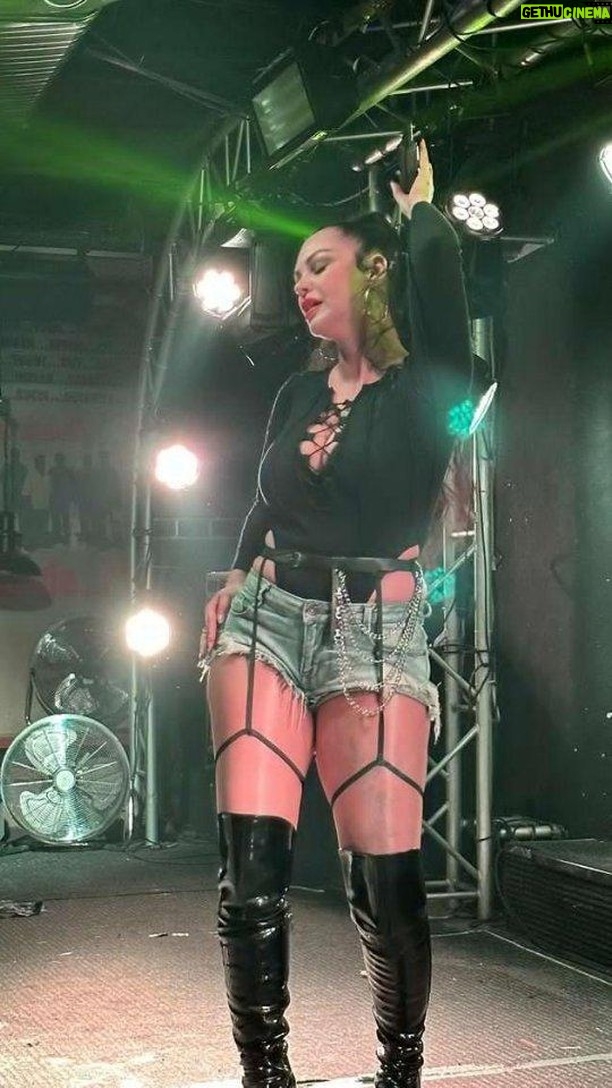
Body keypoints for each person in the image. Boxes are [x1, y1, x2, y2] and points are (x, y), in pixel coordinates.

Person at [200, 140, 473, 1088]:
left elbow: (445, 302)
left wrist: (420, 211)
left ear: (374, 273)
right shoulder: (294, 390)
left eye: (320, 263)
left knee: (387, 881)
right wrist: (234, 574)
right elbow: (266, 498)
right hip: (267, 618)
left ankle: (400, 1070)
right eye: (296, 271)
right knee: (251, 874)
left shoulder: (428, 385)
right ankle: (264, 1074)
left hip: (376, 635)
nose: (301, 282)